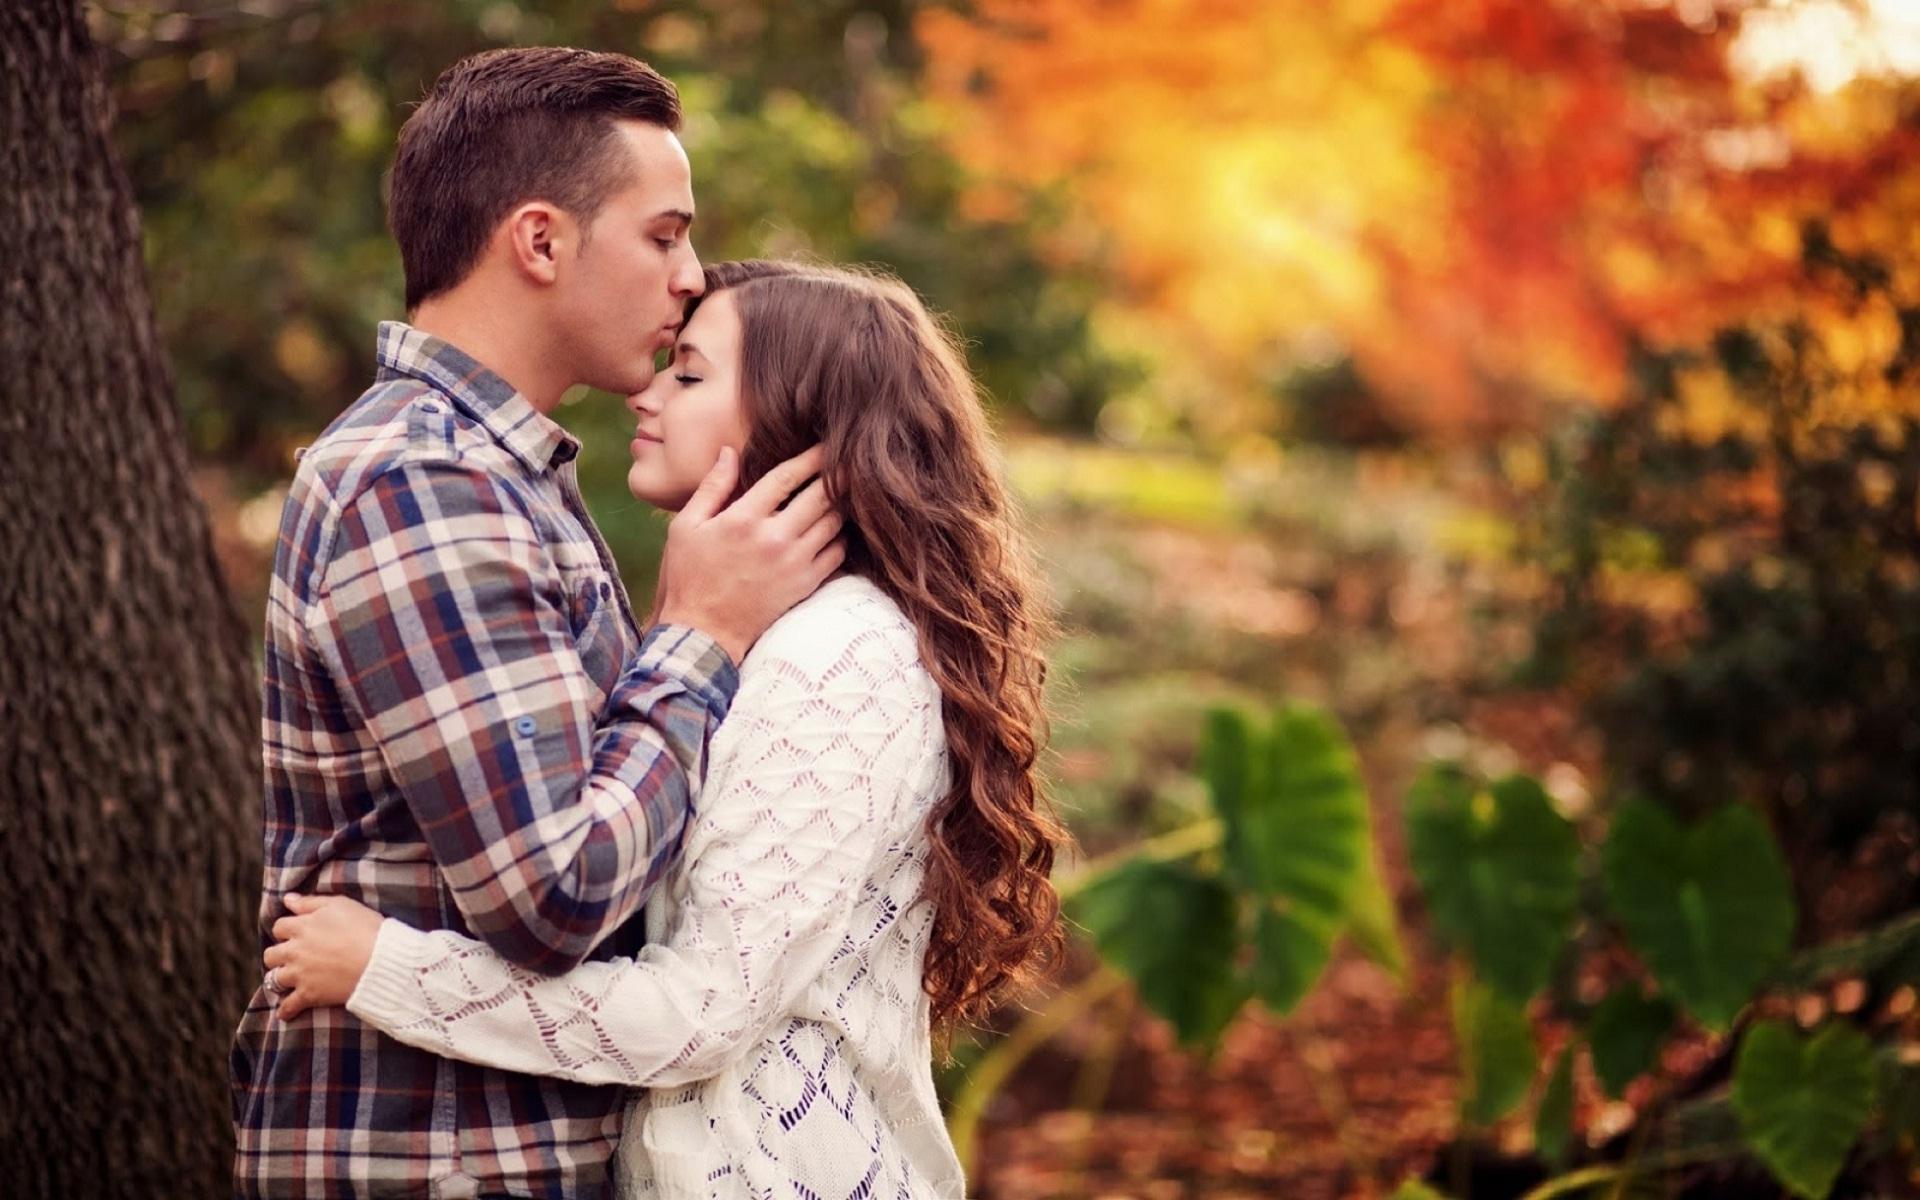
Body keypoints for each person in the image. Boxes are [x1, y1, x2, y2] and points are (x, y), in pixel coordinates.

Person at [262, 261, 1069, 1198]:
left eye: (689, 375)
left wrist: (391, 969)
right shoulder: (768, 639)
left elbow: (701, 1008)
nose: (645, 392)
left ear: (805, 428)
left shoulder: (837, 659)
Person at [230, 52, 844, 1199]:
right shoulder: (423, 483)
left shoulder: (500, 480)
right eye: (664, 235)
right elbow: (552, 894)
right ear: (542, 242)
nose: (690, 276)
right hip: (434, 1158)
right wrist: (700, 637)